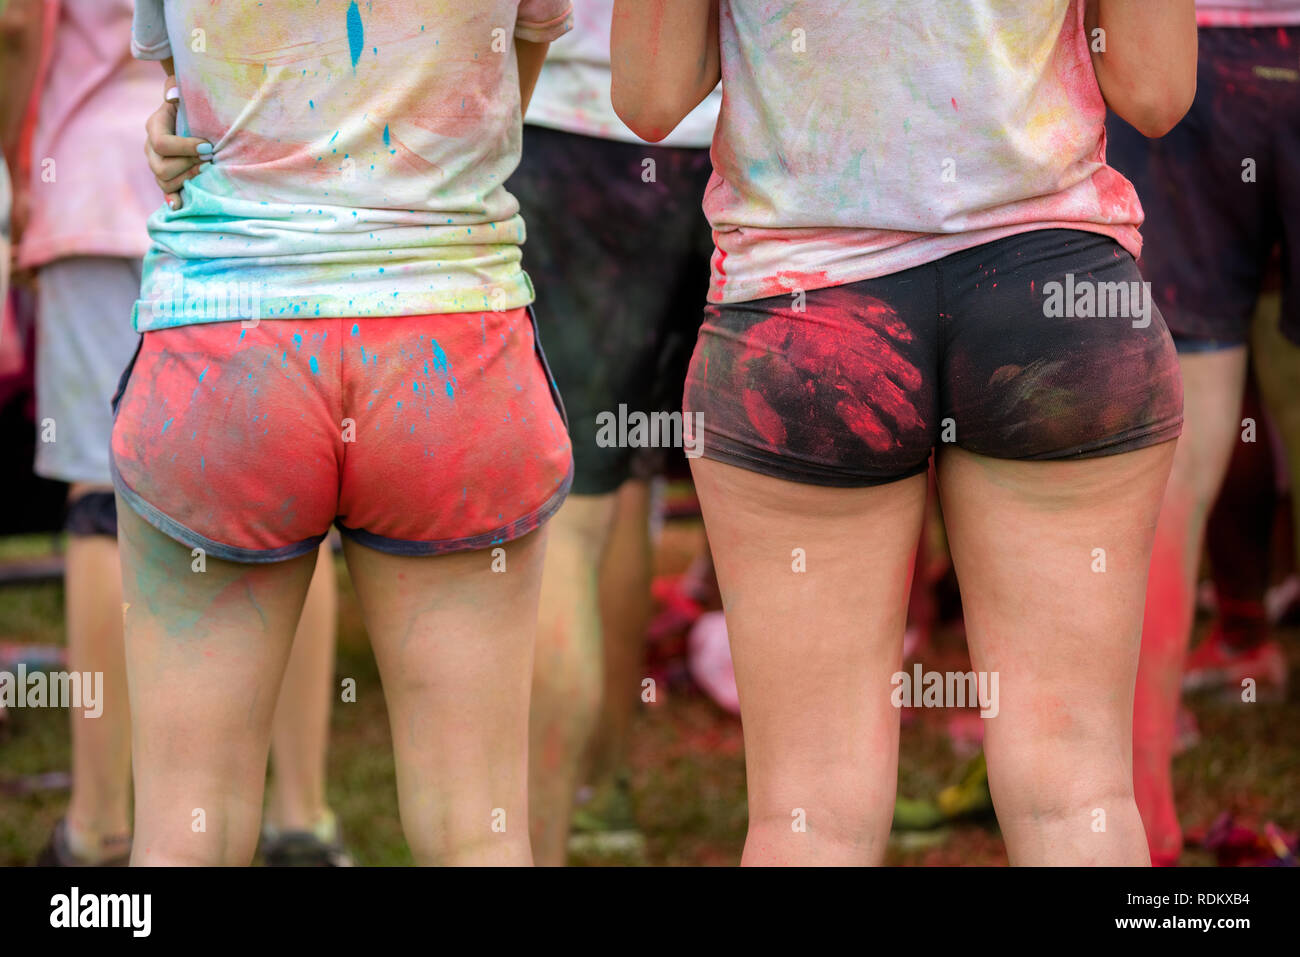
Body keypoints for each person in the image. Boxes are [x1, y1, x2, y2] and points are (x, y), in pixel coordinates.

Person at [613, 0, 1195, 865]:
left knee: (808, 815)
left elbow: (652, 94)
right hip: (1055, 301)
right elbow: (1156, 86)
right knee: (1080, 794)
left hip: (805, 316)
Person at [116, 0, 574, 866]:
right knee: (478, 830)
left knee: (183, 833)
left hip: (226, 342)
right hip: (448, 343)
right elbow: (513, 69)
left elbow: (183, 87)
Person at [0, 0, 347, 867]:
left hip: (89, 180)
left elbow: (15, 26)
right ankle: (301, 818)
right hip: (251, 202)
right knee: (289, 499)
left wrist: (15, 168)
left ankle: (99, 824)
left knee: (97, 496)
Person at [505, 0, 719, 863]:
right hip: (723, 138)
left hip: (573, 123)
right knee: (628, 476)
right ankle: (607, 780)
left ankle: (542, 832)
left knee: (570, 503)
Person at [1105, 0, 1300, 865]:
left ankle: (1147, 807)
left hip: (1179, 58)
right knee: (1178, 442)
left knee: (1175, 448)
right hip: (1181, 59)